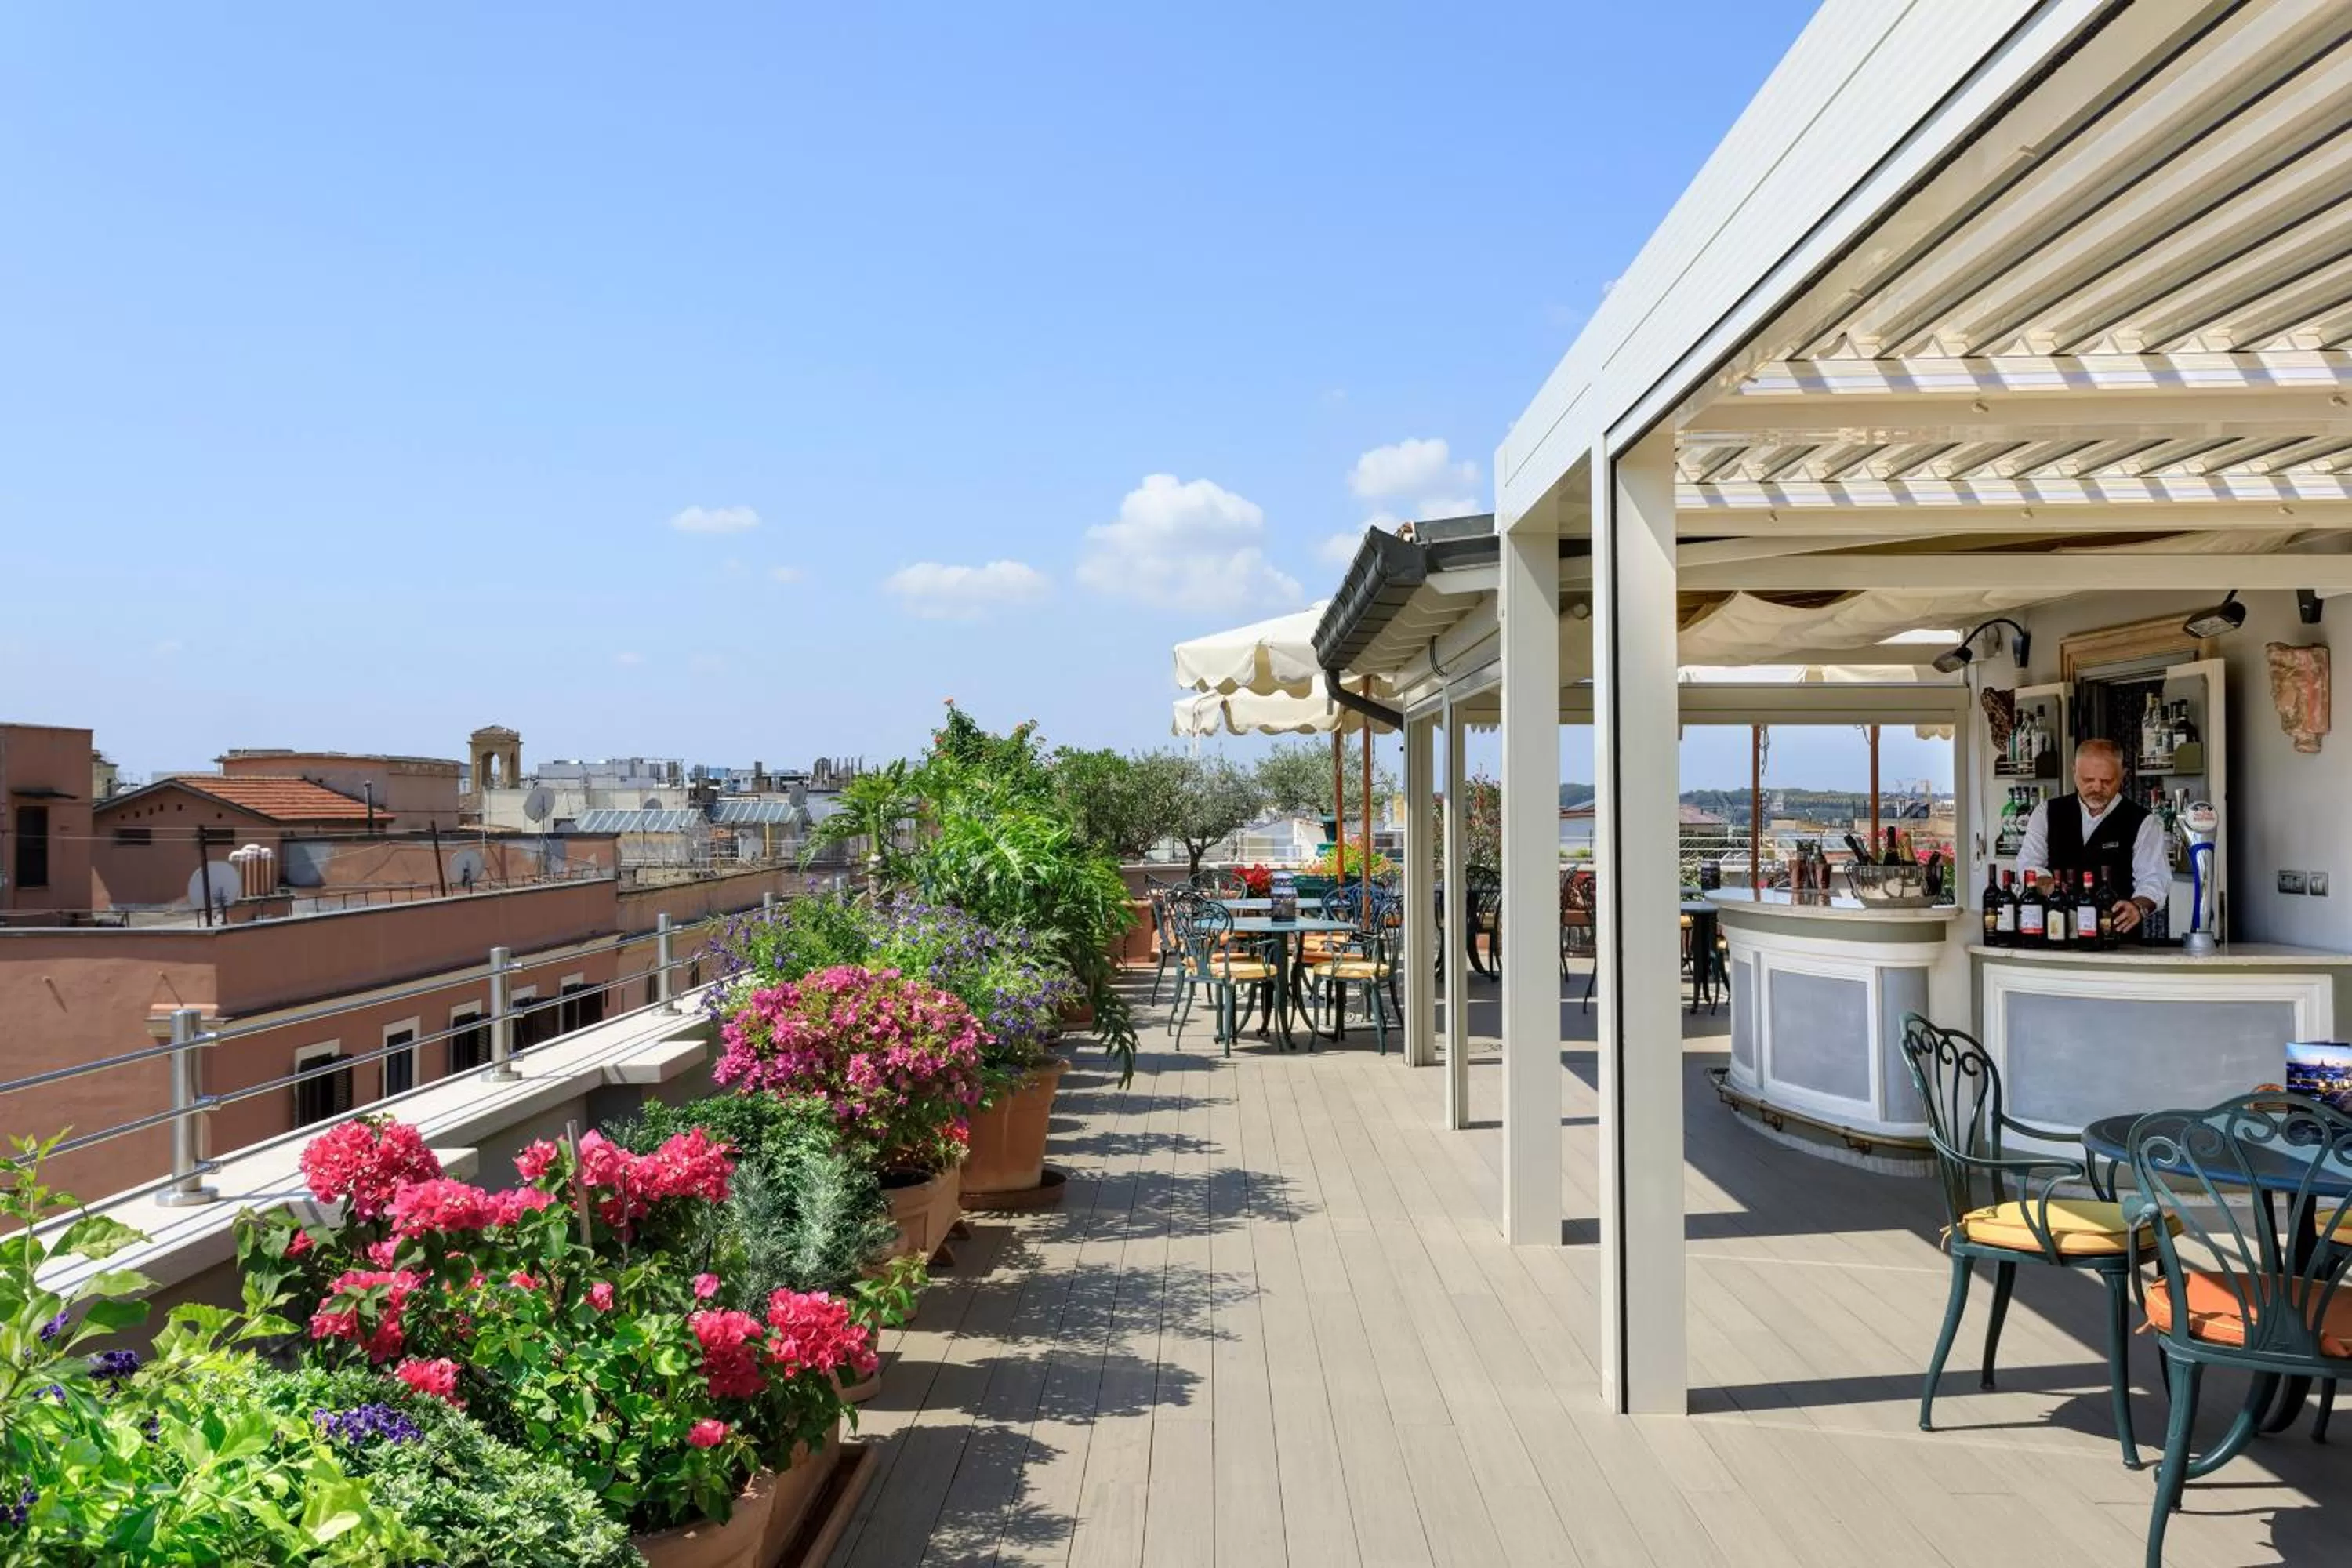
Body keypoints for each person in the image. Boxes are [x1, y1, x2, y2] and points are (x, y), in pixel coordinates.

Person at [2014, 738, 2170, 935]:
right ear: (2074, 772)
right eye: (2088, 780)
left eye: (2107, 781)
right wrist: (2045, 884)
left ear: (2123, 775)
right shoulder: (2046, 812)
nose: (2097, 788)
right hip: (2055, 934)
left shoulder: (2144, 822)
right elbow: (2028, 863)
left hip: (2115, 938)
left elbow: (2154, 880)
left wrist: (2138, 907)